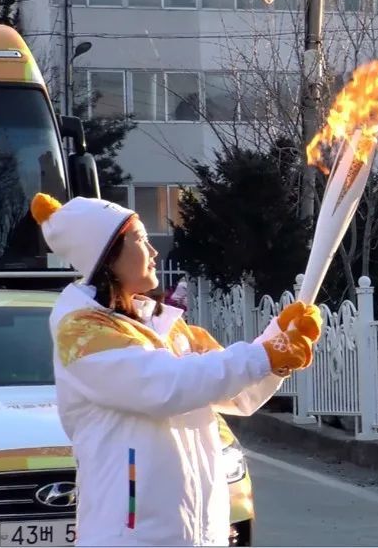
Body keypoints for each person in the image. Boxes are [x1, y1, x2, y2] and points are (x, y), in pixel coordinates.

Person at [30, 193, 322, 546]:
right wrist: (263, 355)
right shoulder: (82, 332)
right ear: (106, 255)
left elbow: (238, 394)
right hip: (130, 537)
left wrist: (279, 340)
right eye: (140, 239)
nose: (153, 252)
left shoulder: (166, 329)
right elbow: (165, 386)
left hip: (198, 533)